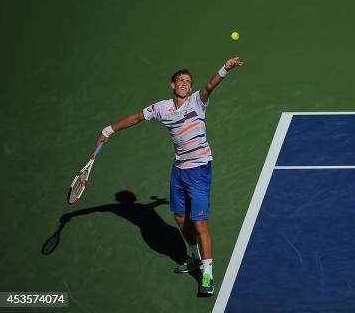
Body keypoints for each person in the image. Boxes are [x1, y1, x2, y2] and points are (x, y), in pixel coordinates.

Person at [96, 57, 244, 296]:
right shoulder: (161, 108)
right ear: (172, 85)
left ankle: (207, 276)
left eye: (188, 81)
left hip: (199, 170)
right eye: (181, 81)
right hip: (179, 170)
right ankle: (196, 258)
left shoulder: (198, 101)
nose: (185, 84)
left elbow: (209, 87)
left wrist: (224, 69)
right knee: (179, 217)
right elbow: (136, 117)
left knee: (199, 223)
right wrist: (108, 130)